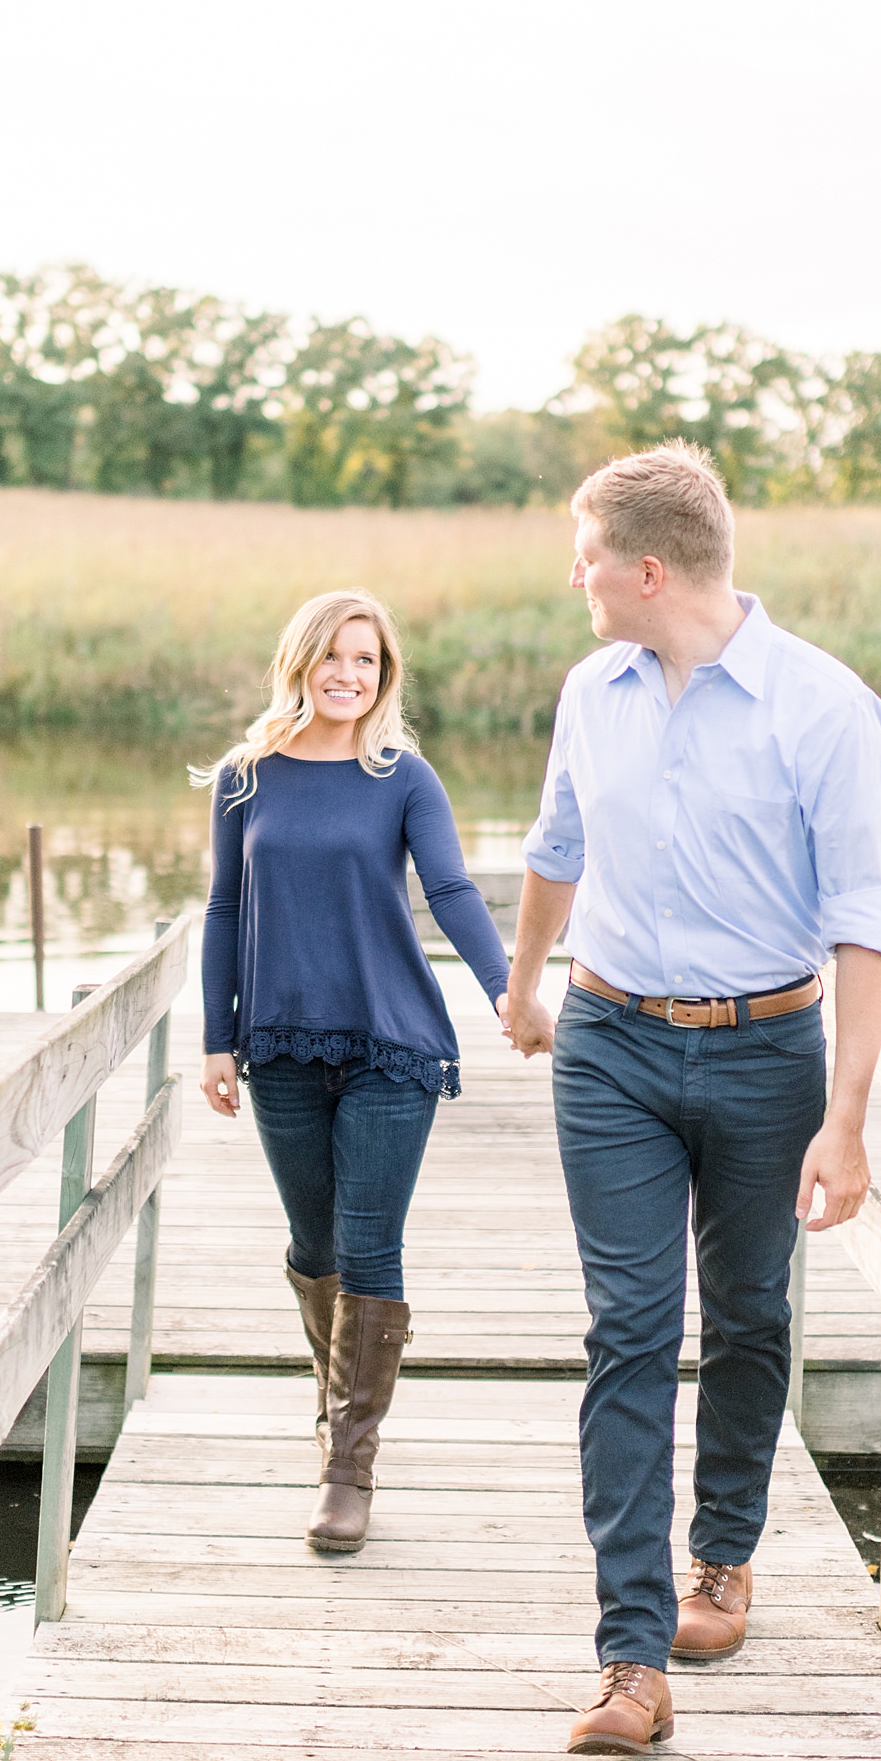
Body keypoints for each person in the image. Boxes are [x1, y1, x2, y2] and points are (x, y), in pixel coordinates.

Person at [502, 443, 881, 1756]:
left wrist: (845, 1119)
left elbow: (863, 928)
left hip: (766, 1051)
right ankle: (630, 1659)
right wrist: (523, 987)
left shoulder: (825, 709)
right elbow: (557, 849)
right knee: (629, 1328)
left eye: (587, 552)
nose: (575, 573)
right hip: (612, 1041)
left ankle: (721, 1555)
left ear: (650, 568)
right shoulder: (589, 691)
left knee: (746, 1313)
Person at [197, 588, 510, 1554]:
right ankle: (339, 1413)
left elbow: (450, 888)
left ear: (385, 675)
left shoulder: (402, 777)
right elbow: (221, 911)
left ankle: (347, 1470)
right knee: (313, 1246)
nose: (348, 674)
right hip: (281, 1044)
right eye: (332, 656)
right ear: (299, 663)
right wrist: (217, 1037)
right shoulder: (247, 779)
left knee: (370, 1249)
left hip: (391, 1043)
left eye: (366, 660)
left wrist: (509, 991)